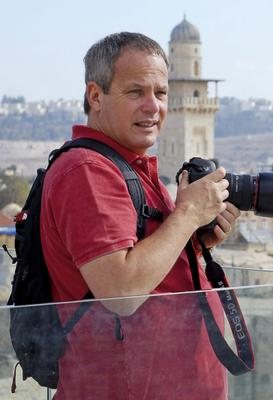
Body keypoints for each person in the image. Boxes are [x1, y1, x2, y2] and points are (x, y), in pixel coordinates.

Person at [39, 32, 238, 399]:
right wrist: (189, 213)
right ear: (95, 96)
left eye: (161, 93)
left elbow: (146, 269)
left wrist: (193, 245)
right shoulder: (87, 171)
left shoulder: (132, 168)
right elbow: (121, 292)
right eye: (135, 92)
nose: (153, 106)